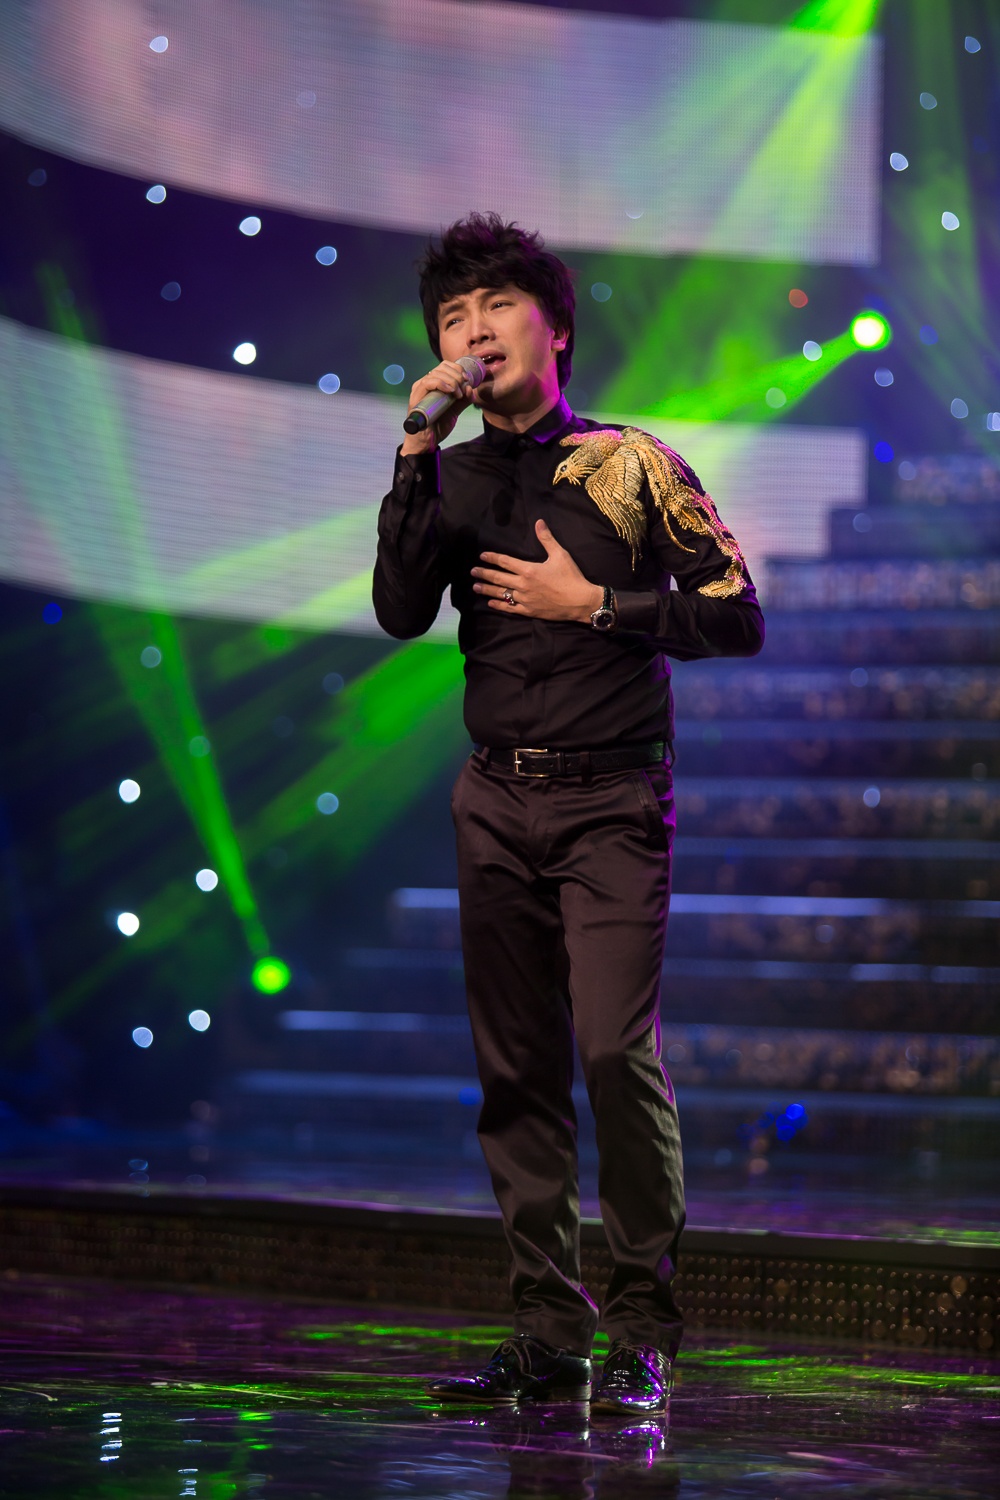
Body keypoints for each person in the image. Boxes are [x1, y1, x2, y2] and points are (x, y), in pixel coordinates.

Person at [373, 213, 764, 1412]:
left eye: (496, 305)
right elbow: (398, 609)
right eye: (453, 316)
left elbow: (736, 615)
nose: (473, 330)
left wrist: (593, 603)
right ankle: (545, 1330)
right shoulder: (449, 472)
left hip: (611, 800)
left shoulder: (632, 462)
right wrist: (413, 445)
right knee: (515, 1068)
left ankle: (642, 1327)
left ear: (555, 329)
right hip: (494, 796)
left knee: (610, 1051)